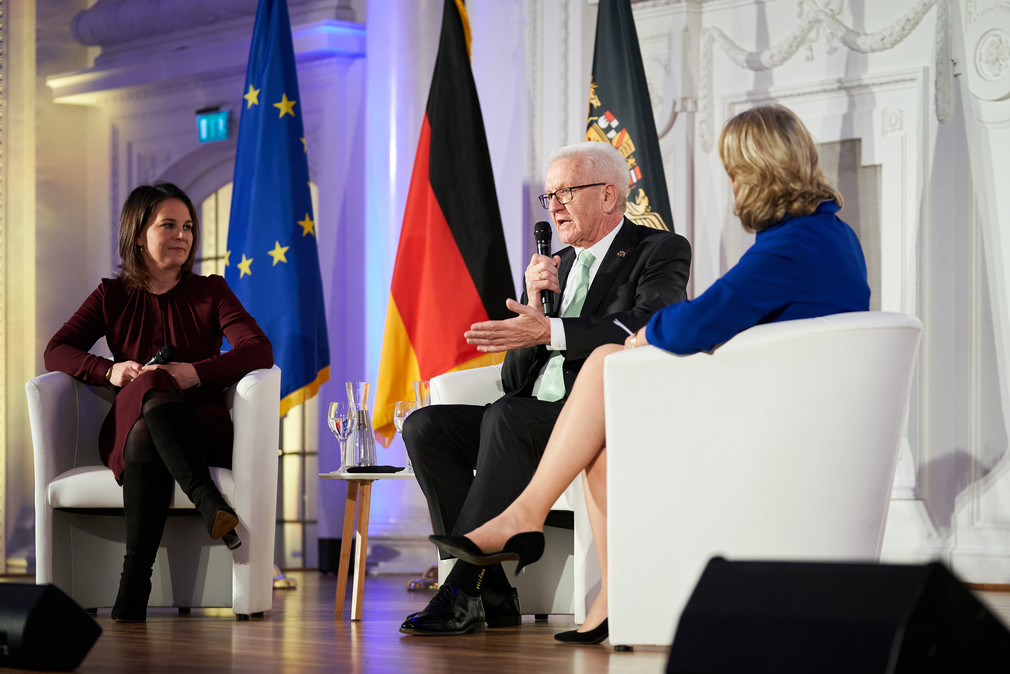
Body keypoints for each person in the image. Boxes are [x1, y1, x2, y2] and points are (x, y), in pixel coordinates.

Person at [431, 104, 872, 644]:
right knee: (600, 442)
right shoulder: (828, 236)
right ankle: (612, 604)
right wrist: (536, 303)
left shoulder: (789, 246)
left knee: (602, 362)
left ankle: (525, 516)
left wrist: (648, 333)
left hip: (774, 420)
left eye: (734, 172)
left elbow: (703, 319)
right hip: (782, 403)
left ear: (757, 173)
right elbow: (518, 374)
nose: (732, 186)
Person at [400, 141, 692, 636]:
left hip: (594, 417)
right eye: (548, 195)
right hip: (528, 416)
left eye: (566, 191)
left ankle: (462, 585)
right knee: (427, 425)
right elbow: (516, 381)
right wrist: (534, 302)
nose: (554, 205)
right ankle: (492, 591)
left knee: (507, 417)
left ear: (607, 195)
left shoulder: (658, 250)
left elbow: (648, 322)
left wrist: (551, 331)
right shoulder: (552, 265)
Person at [44, 182, 274, 622]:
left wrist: (195, 372)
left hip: (198, 428)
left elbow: (258, 350)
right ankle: (207, 501)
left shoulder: (211, 291)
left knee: (155, 394)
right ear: (137, 234)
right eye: (168, 225)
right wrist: (109, 370)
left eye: (188, 226)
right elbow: (57, 349)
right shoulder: (110, 296)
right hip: (131, 428)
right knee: (149, 389)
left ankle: (134, 583)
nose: (183, 235)